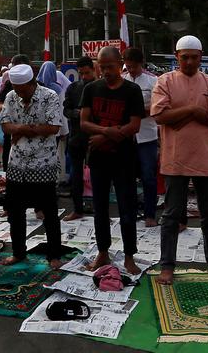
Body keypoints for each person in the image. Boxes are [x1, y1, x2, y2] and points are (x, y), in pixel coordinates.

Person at [152, 35, 208, 285]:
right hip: (175, 159)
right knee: (172, 214)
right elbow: (159, 116)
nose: (188, 61)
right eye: (184, 57)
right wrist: (192, 111)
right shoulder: (164, 81)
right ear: (176, 57)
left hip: (206, 158)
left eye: (193, 57)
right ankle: (167, 265)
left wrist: (193, 117)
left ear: (201, 57)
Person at [81, 46, 145, 274]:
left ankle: (129, 256)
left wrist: (106, 134)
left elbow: (135, 125)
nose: (106, 71)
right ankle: (103, 252)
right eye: (102, 66)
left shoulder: (132, 90)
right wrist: (108, 132)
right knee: (99, 208)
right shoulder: (91, 89)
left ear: (121, 65)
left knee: (127, 208)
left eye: (110, 67)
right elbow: (84, 122)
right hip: (98, 157)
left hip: (124, 158)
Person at [0, 64, 65, 268]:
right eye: (16, 89)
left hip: (43, 163)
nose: (19, 93)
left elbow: (53, 127)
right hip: (17, 163)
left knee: (49, 212)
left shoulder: (50, 96)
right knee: (15, 212)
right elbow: (5, 125)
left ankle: (54, 254)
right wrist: (25, 128)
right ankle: (19, 252)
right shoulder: (11, 96)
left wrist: (22, 130)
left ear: (32, 83)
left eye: (23, 89)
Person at [124, 47, 160, 226]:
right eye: (128, 66)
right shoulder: (122, 79)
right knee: (127, 176)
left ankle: (150, 214)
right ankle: (130, 211)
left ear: (141, 64)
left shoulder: (153, 81)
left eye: (133, 67)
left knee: (148, 176)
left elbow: (157, 108)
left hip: (147, 136)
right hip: (126, 136)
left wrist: (137, 114)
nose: (130, 70)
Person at [62, 56, 97, 221]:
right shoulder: (73, 88)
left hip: (96, 137)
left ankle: (99, 209)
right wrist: (78, 114)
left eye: (87, 73)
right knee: (76, 176)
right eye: (81, 73)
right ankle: (77, 209)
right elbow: (66, 110)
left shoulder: (100, 87)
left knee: (98, 175)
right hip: (77, 136)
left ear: (94, 70)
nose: (84, 76)